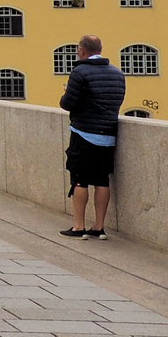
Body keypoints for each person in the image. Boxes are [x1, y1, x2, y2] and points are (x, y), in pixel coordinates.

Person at [60, 34, 125, 239]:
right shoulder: (117, 73)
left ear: (81, 50)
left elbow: (68, 103)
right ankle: (99, 227)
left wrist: (66, 92)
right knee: (102, 180)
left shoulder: (80, 72)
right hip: (108, 134)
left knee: (79, 180)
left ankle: (79, 226)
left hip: (84, 133)